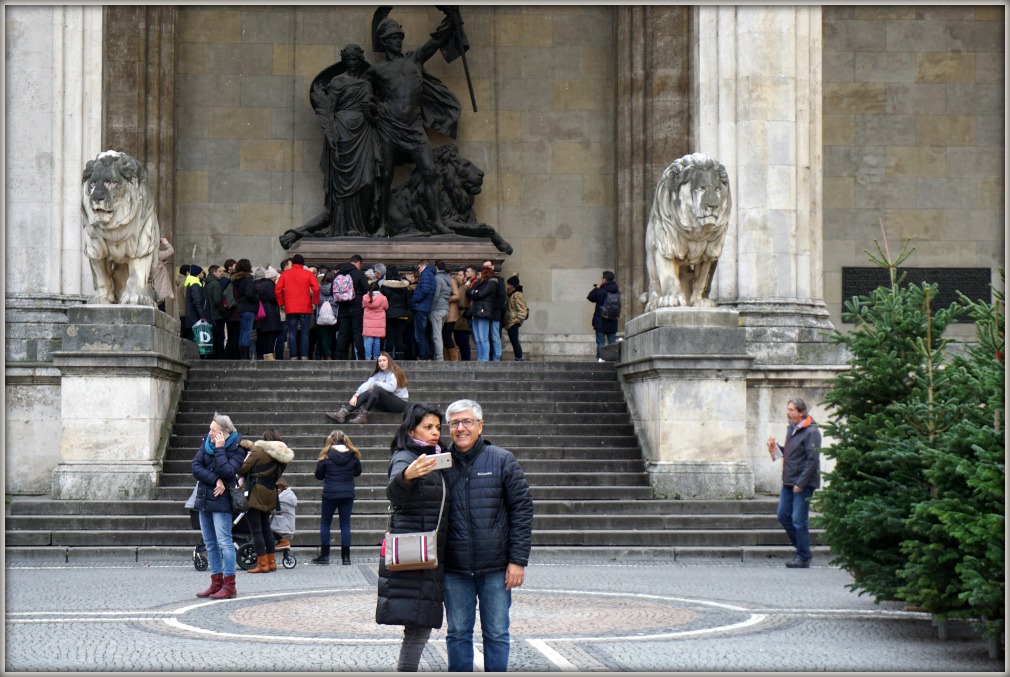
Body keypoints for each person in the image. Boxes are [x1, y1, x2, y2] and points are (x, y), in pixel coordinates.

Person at [442, 399, 534, 672]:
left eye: (467, 421)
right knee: (457, 633)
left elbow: (522, 511)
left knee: (496, 633)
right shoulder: (439, 463)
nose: (461, 428)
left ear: (480, 426)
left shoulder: (502, 460)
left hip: (496, 567)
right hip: (455, 568)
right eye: (455, 423)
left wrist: (517, 560)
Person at [366, 10, 462, 237]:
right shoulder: (376, 71)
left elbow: (437, 40)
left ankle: (437, 222)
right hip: (389, 127)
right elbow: (362, 95)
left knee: (430, 171)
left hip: (414, 127)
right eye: (393, 38)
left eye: (400, 37)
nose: (398, 41)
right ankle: (382, 225)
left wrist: (453, 17)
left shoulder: (414, 59)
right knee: (386, 174)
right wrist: (372, 108)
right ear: (384, 41)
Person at [375, 402, 449, 671]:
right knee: (419, 625)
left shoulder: (436, 455)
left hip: (430, 553)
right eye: (427, 427)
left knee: (420, 624)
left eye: (438, 427)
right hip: (416, 553)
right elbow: (394, 491)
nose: (434, 433)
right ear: (411, 428)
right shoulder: (406, 457)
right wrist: (406, 477)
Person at [191, 413, 246, 600]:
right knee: (210, 543)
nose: (209, 433)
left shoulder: (238, 448)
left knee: (225, 542)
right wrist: (216, 480)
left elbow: (229, 471)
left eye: (213, 430)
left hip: (222, 502)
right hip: (205, 498)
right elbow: (196, 467)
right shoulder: (207, 442)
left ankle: (229, 585)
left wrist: (220, 449)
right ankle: (216, 583)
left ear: (222, 433)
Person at [767, 398, 822, 569]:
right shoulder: (792, 428)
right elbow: (791, 454)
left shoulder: (811, 432)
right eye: (788, 409)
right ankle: (802, 550)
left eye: (791, 410)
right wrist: (776, 448)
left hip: (803, 482)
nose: (788, 412)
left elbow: (812, 460)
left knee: (798, 520)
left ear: (801, 412)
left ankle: (803, 557)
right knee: (783, 515)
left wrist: (801, 483)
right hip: (789, 480)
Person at [238, 428, 294, 574]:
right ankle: (271, 562)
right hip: (270, 492)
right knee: (266, 528)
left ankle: (262, 564)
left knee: (256, 531)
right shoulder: (283, 455)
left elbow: (242, 469)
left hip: (255, 492)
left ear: (264, 438)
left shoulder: (259, 450)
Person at [313, 430, 363, 565]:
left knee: (325, 523)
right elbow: (358, 472)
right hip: (347, 493)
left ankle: (325, 556)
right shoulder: (353, 455)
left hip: (330, 493)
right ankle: (346, 557)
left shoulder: (326, 455)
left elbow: (319, 475)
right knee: (345, 524)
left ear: (331, 440)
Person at [326, 351, 408, 425]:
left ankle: (364, 415)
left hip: (399, 404)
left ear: (389, 361)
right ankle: (343, 413)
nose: (382, 363)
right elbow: (367, 384)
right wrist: (356, 395)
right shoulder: (378, 374)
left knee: (377, 389)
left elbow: (391, 388)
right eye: (379, 361)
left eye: (384, 360)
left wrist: (376, 384)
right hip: (387, 404)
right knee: (367, 394)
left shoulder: (394, 372)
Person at [275, 253, 320, 360]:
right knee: (305, 333)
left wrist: (282, 304)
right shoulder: (307, 274)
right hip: (305, 307)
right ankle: (304, 356)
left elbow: (277, 290)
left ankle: (293, 356)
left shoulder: (285, 274)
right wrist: (314, 302)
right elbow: (316, 289)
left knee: (292, 333)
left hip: (290, 308)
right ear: (303, 263)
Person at [334, 254, 369, 360]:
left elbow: (333, 289)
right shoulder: (359, 274)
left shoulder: (339, 273)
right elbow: (366, 289)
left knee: (343, 332)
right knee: (357, 331)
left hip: (343, 306)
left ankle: (339, 356)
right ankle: (360, 356)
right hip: (357, 306)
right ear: (358, 263)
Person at [466, 265, 498, 362]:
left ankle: (484, 358)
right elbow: (469, 291)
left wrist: (474, 292)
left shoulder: (491, 284)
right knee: (478, 338)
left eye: (480, 273)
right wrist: (475, 291)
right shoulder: (479, 283)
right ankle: (480, 358)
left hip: (484, 312)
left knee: (483, 337)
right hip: (476, 311)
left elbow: (480, 294)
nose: (478, 274)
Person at [380, 264, 412, 361]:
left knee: (390, 337)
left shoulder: (385, 287)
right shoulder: (403, 287)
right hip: (402, 314)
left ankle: (389, 358)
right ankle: (400, 358)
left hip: (389, 314)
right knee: (399, 337)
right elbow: (408, 302)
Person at [587, 270, 620, 362]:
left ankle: (601, 360)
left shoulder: (601, 291)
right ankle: (612, 361)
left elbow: (590, 297)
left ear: (604, 279)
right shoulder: (616, 291)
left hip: (601, 321)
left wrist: (598, 287)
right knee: (612, 343)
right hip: (612, 321)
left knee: (601, 343)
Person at [230, 259, 259, 360]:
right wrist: (256, 300)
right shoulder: (248, 279)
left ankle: (242, 355)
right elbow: (249, 293)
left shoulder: (236, 280)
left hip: (241, 307)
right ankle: (245, 356)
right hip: (248, 308)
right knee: (247, 332)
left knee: (242, 332)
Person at [254, 266, 282, 361]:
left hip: (264, 311)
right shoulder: (269, 284)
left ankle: (265, 354)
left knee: (265, 335)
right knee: (272, 334)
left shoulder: (261, 284)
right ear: (271, 277)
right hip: (270, 312)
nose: (276, 279)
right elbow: (273, 297)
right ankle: (269, 354)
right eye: (275, 277)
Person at [411, 260, 436, 360]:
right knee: (423, 333)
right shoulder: (431, 274)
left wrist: (415, 299)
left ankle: (423, 356)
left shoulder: (425, 274)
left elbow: (425, 289)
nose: (419, 269)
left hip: (421, 307)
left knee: (419, 334)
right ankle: (426, 355)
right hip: (425, 307)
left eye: (419, 267)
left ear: (423, 265)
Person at [482, 261, 506, 361]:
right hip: (485, 313)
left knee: (495, 336)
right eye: (485, 267)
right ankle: (487, 357)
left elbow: (502, 298)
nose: (487, 268)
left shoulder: (499, 281)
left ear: (493, 267)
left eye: (488, 266)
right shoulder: (483, 281)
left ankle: (497, 357)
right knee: (485, 337)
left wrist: (491, 308)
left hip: (494, 313)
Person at [429, 260, 453, 361]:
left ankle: (439, 358)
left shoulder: (437, 278)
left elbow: (436, 294)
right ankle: (439, 356)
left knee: (436, 335)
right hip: (446, 308)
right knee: (439, 334)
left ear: (436, 267)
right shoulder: (448, 278)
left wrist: (431, 307)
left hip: (437, 309)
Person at [362, 274, 389, 360]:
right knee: (377, 340)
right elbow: (386, 307)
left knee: (369, 340)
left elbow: (363, 306)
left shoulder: (365, 298)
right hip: (379, 322)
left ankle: (367, 357)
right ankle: (376, 357)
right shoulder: (383, 298)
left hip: (368, 322)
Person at [504, 275, 528, 361]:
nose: (507, 286)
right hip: (511, 320)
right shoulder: (511, 295)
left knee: (514, 340)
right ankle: (518, 356)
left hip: (514, 320)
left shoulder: (517, 295)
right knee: (513, 339)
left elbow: (523, 307)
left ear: (512, 285)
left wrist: (520, 319)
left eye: (508, 284)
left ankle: (519, 357)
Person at [317, 270, 339, 360]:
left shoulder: (319, 287)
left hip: (320, 315)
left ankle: (325, 354)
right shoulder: (336, 288)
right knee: (330, 337)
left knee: (323, 336)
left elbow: (317, 300)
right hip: (333, 315)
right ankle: (327, 354)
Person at [452, 269, 472, 361]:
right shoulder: (461, 287)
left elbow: (462, 303)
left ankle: (466, 360)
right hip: (458, 317)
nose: (458, 276)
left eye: (460, 275)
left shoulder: (464, 288)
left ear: (464, 277)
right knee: (459, 341)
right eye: (458, 274)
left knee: (463, 341)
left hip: (462, 317)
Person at [271, 480, 298, 550]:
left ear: (279, 491)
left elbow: (275, 509)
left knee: (266, 530)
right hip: (286, 525)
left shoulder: (283, 500)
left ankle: (284, 541)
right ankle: (283, 541)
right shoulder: (288, 497)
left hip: (284, 527)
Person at [152, 236, 175, 313]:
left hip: (154, 286)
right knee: (160, 309)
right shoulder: (156, 255)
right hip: (159, 287)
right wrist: (165, 242)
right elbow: (171, 250)